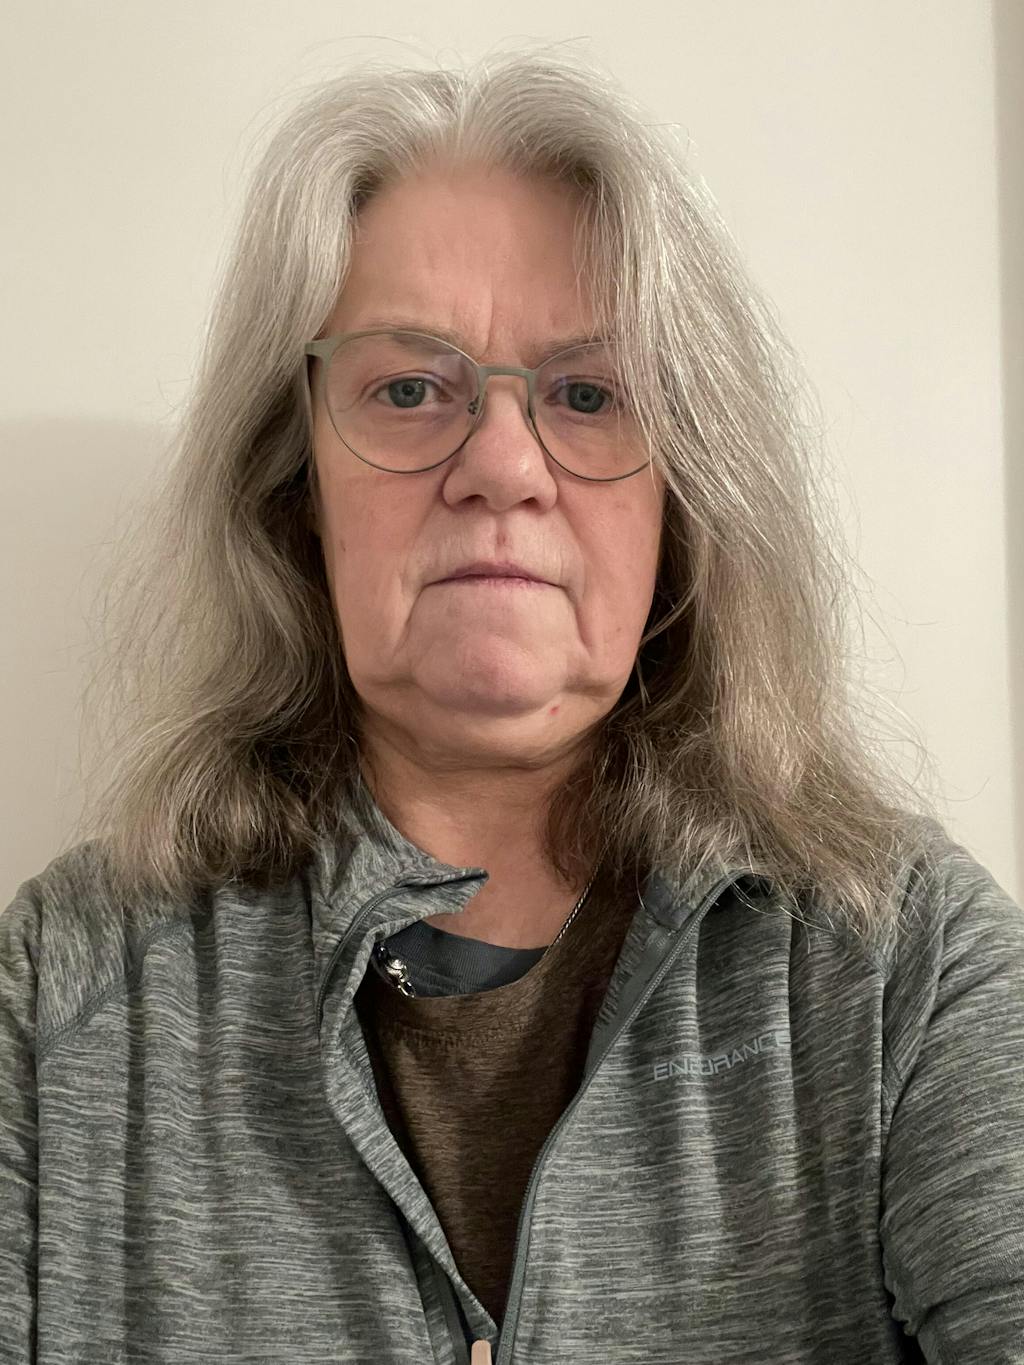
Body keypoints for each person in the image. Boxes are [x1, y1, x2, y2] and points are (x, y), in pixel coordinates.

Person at [1, 49, 1022, 1365]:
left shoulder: (904, 968)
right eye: (406, 388)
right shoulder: (67, 993)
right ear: (294, 487)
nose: (500, 463)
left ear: (686, 502)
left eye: (589, 394)